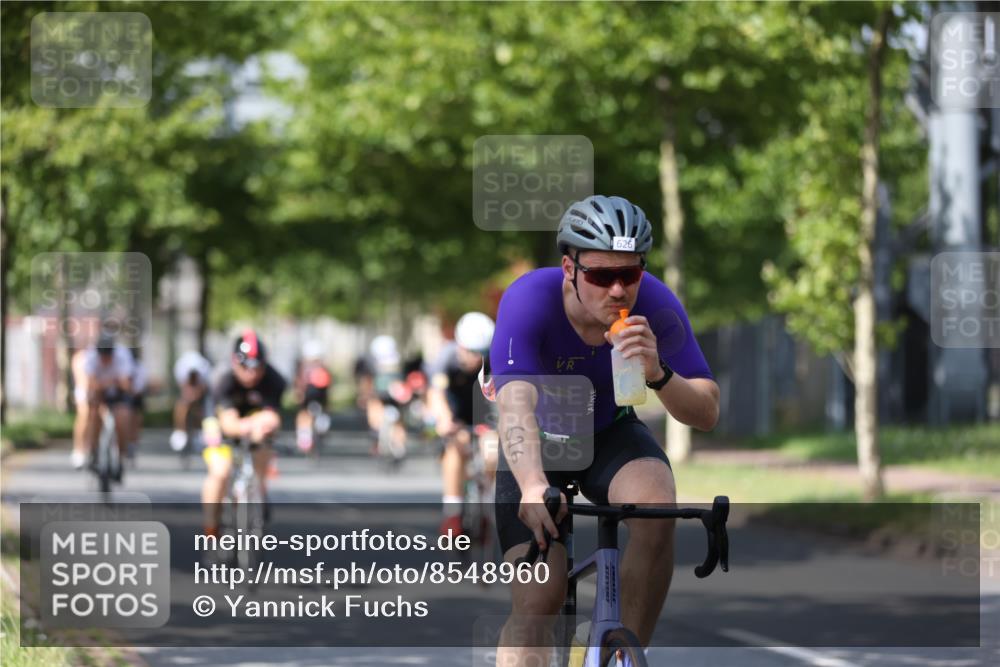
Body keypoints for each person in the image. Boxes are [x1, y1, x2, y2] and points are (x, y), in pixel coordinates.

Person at [491, 195, 720, 665]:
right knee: (539, 601)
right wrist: (532, 485)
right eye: (600, 276)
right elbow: (515, 406)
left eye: (630, 274)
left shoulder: (654, 303)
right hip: (539, 442)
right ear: (569, 268)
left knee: (656, 505)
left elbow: (707, 412)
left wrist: (659, 373)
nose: (618, 290)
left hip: (608, 431)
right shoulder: (529, 299)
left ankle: (623, 656)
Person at [201, 329, 286, 538]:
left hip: (253, 423)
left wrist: (258, 427)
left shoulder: (274, 380)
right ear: (234, 363)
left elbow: (272, 419)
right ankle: (211, 527)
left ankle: (258, 491)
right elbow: (229, 424)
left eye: (257, 367)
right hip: (220, 424)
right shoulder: (223, 379)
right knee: (220, 472)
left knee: (263, 449)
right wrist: (252, 425)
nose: (251, 373)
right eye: (245, 367)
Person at [427, 311, 499, 538]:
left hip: (484, 414)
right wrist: (444, 419)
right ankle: (453, 513)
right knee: (455, 449)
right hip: (455, 415)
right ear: (460, 346)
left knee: (493, 452)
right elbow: (436, 393)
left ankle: (485, 502)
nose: (477, 359)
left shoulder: (495, 359)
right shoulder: (446, 357)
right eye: (472, 352)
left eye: (483, 353)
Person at [73, 334, 135, 478]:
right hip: (97, 393)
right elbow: (90, 384)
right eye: (102, 356)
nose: (105, 360)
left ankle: (121, 457)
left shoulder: (123, 356)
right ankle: (92, 449)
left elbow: (126, 384)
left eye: (108, 356)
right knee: (90, 414)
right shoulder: (89, 357)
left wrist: (106, 383)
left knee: (123, 417)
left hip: (118, 394)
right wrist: (112, 381)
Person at [365, 334, 409, 461]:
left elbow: (369, 383)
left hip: (386, 395)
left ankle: (379, 437)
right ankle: (398, 444)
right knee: (398, 420)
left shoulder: (373, 364)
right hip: (396, 395)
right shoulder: (396, 361)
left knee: (375, 411)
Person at [170, 350, 214, 453]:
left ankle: (199, 432)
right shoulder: (181, 370)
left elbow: (203, 389)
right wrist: (189, 397)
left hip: (202, 385)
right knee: (182, 405)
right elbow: (184, 390)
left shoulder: (205, 371)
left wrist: (196, 396)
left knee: (201, 407)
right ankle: (180, 430)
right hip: (184, 379)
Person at [294, 340, 332, 453]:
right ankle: (306, 435)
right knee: (305, 413)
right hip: (312, 397)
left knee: (305, 413)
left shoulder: (309, 368)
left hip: (315, 397)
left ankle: (306, 435)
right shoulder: (316, 368)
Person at [125, 348, 148, 466]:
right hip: (125, 395)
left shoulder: (140, 367)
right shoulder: (125, 364)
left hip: (135, 396)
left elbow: (140, 385)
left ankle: (132, 444)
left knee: (135, 421)